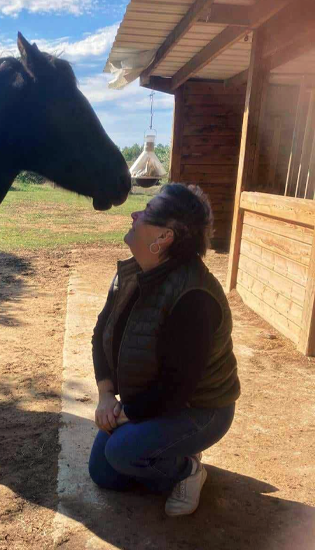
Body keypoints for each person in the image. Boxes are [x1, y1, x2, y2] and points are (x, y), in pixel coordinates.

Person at [88, 183, 240, 517]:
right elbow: (102, 332)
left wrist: (124, 415)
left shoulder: (194, 297)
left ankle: (185, 470)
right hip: (151, 397)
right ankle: (167, 450)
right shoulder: (134, 272)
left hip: (200, 409)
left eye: (146, 213)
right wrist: (105, 396)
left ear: (163, 238)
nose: (134, 213)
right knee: (103, 472)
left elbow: (176, 389)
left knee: (121, 453)